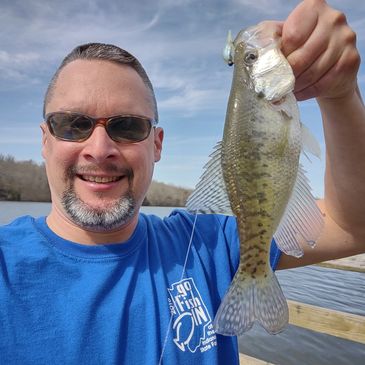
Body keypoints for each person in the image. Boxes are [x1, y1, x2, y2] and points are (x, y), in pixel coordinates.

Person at [0, 0, 364, 364]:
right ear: (45, 140)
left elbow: (353, 226)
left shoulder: (206, 247)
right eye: (73, 124)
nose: (99, 149)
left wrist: (340, 95)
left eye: (127, 126)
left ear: (156, 144)